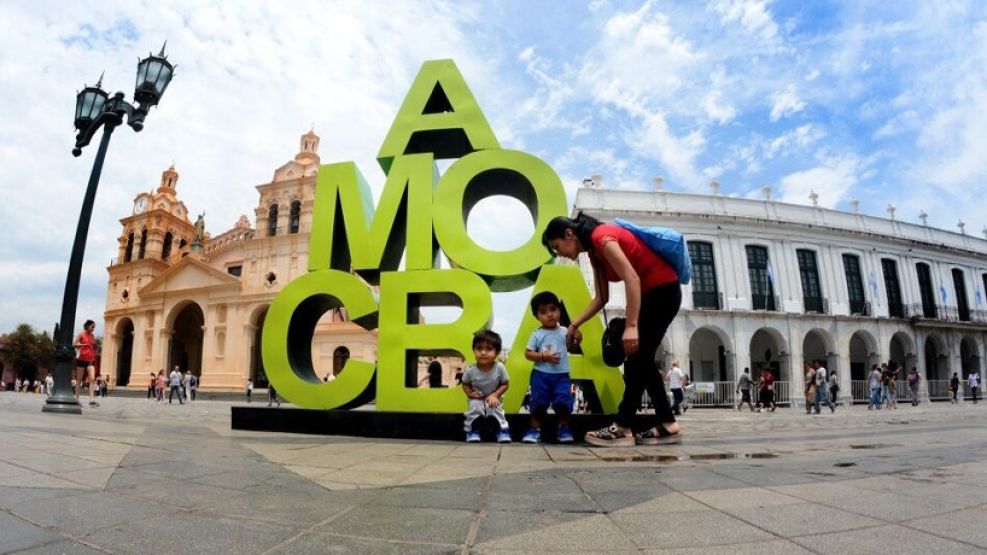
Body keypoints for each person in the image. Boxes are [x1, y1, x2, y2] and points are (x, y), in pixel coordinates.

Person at [543, 213, 681, 447]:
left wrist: (632, 326)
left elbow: (632, 278)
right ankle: (663, 423)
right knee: (641, 359)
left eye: (557, 247)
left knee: (638, 357)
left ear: (569, 234)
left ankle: (626, 427)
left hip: (662, 291)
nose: (561, 254)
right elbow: (601, 298)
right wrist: (574, 324)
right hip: (652, 295)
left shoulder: (601, 238)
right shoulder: (594, 254)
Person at [521, 292, 574, 444]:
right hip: (541, 375)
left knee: (563, 403)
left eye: (553, 309)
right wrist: (544, 357)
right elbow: (528, 353)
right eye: (543, 312)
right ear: (537, 317)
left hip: (561, 375)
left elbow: (571, 346)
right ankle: (534, 430)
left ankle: (564, 428)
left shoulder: (565, 331)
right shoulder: (537, 334)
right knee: (538, 403)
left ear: (559, 310)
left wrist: (577, 338)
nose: (549, 314)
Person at [462, 329, 511, 443]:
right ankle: (472, 430)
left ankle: (502, 430)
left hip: (493, 397)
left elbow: (505, 384)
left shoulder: (499, 367)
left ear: (497, 352)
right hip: (477, 398)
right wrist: (470, 393)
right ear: (473, 350)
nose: (483, 352)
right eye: (479, 348)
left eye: (489, 349)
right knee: (474, 406)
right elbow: (465, 383)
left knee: (493, 406)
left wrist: (495, 395)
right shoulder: (470, 370)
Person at [72, 319, 99, 408]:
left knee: (92, 379)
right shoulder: (81, 334)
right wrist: (84, 345)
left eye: (94, 327)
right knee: (79, 380)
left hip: (90, 359)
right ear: (87, 326)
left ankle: (91, 400)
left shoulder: (92, 336)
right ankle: (77, 399)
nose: (93, 328)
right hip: (81, 359)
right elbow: (74, 344)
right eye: (92, 326)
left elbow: (93, 346)